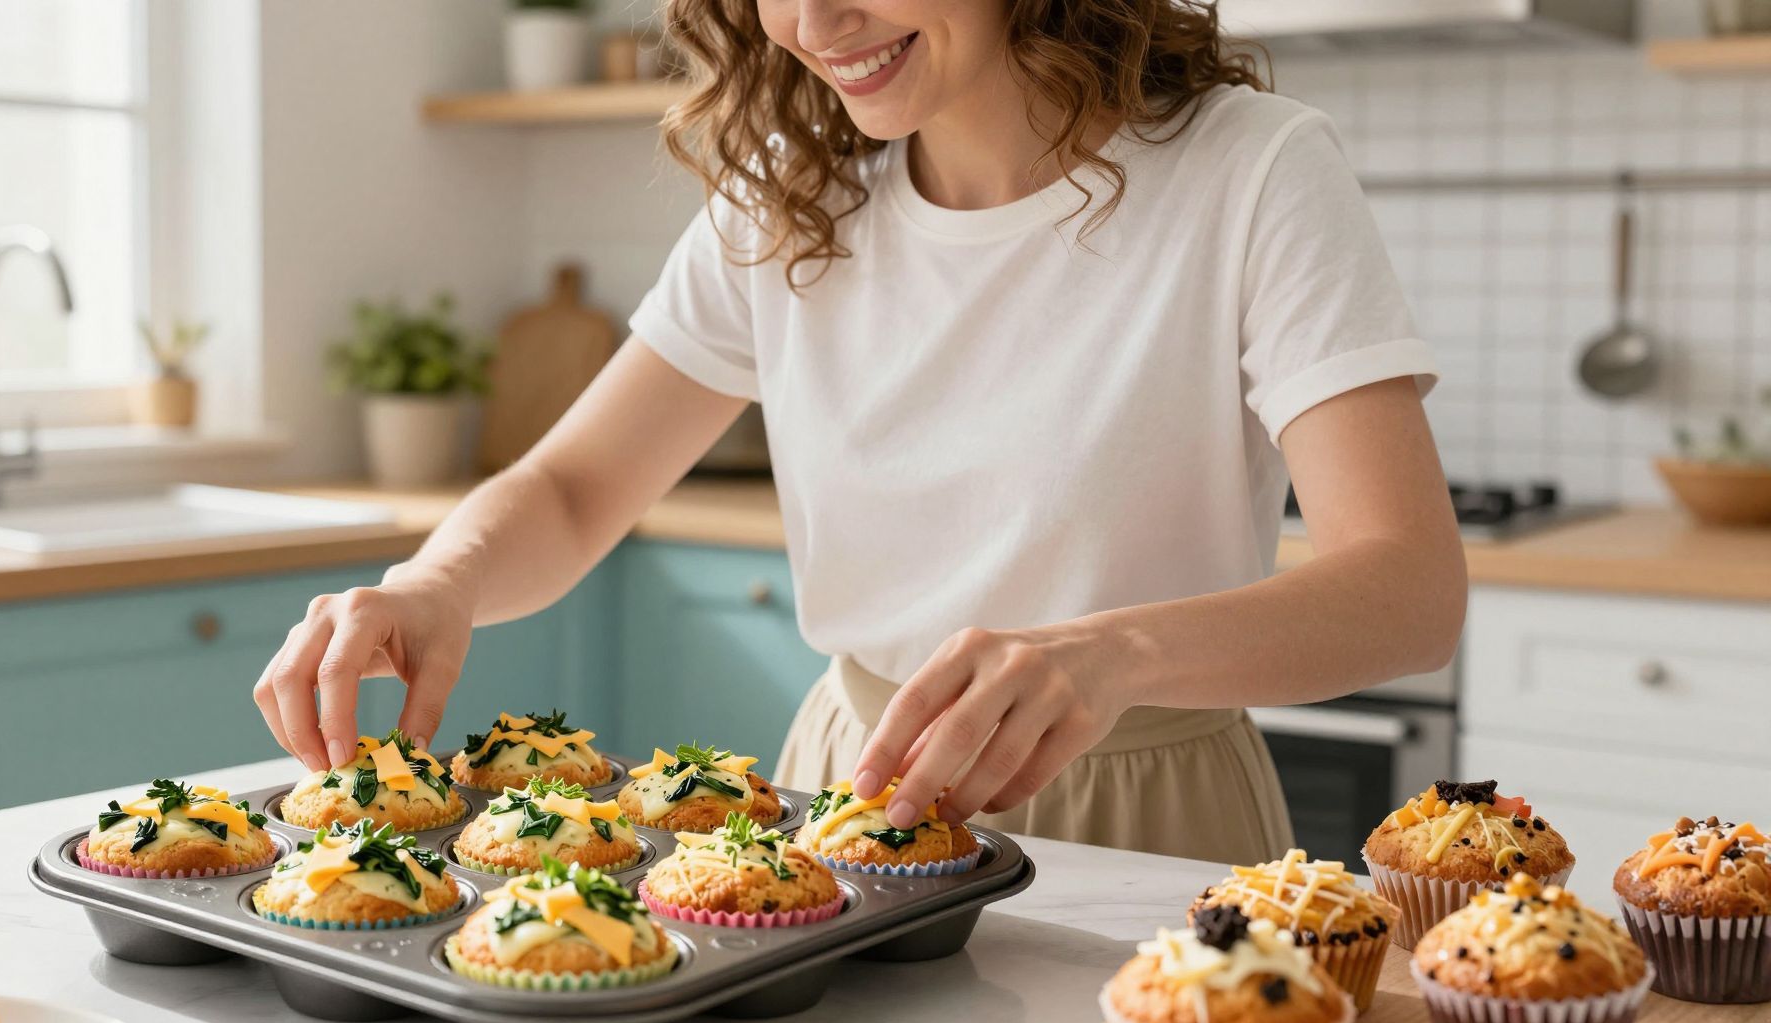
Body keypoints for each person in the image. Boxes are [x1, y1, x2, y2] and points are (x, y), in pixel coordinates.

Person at [253, 0, 1465, 863]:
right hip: (847, 787)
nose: (811, 19)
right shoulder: (788, 194)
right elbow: (575, 489)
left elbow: (1407, 589)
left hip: (1145, 812)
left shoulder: (1248, 172)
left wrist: (1109, 654)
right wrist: (438, 581)